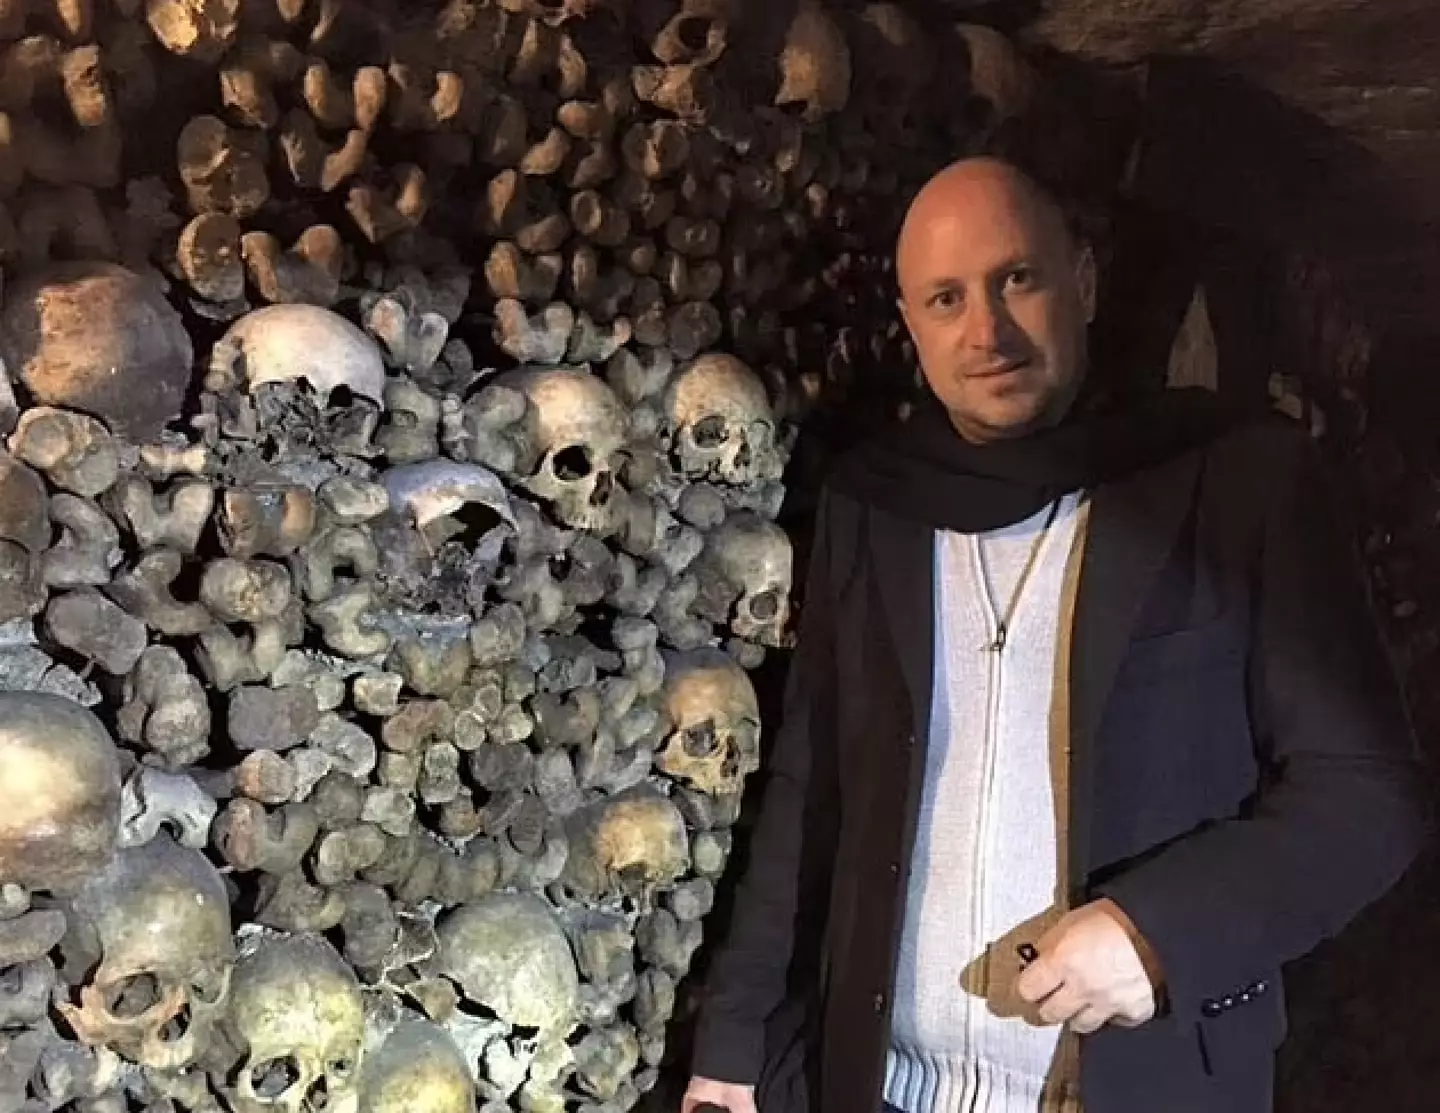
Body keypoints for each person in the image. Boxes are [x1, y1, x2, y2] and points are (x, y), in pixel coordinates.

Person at [678, 155, 1431, 1113]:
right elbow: (812, 778)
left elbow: (1369, 796)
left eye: (1016, 280)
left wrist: (1161, 931)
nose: (985, 330)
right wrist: (732, 1050)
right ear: (910, 327)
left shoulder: (1236, 482)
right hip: (883, 1090)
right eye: (945, 299)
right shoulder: (878, 503)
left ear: (1082, 278)